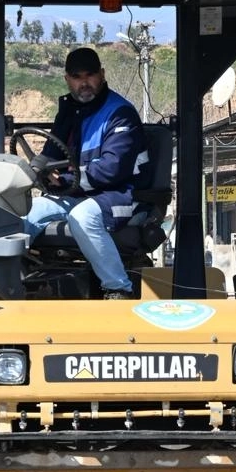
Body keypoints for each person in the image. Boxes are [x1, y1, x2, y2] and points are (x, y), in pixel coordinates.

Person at [24, 47, 151, 299]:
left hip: (125, 195)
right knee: (25, 213)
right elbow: (51, 154)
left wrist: (66, 180)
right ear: (67, 79)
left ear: (102, 74)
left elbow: (113, 169)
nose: (84, 83)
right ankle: (9, 282)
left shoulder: (120, 113)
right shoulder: (69, 112)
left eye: (90, 75)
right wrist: (39, 172)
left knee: (83, 217)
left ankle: (118, 289)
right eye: (76, 77)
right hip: (79, 193)